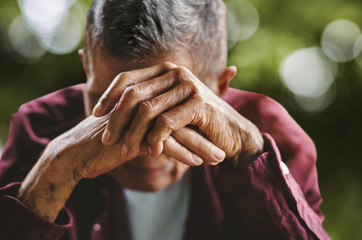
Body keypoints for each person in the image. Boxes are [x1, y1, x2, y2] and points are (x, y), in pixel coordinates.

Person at [0, 0, 330, 239]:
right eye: (114, 105)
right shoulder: (40, 131)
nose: (141, 145)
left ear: (220, 88)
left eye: (172, 109)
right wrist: (50, 176)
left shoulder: (274, 140)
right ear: (87, 71)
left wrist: (250, 156)